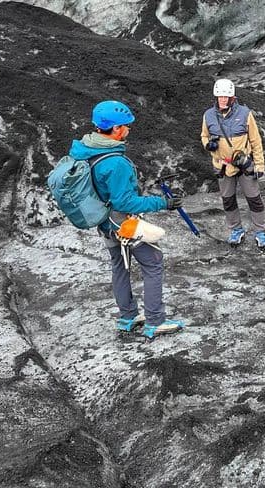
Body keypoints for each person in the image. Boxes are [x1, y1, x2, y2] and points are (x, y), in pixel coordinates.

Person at [68, 100, 185, 339]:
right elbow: (125, 202)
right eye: (126, 126)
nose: (129, 129)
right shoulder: (115, 162)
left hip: (103, 222)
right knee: (153, 262)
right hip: (122, 223)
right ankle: (155, 320)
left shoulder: (87, 149)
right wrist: (162, 202)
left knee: (119, 267)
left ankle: (127, 317)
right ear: (116, 129)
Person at [201, 78, 265, 247]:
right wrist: (208, 144)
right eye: (220, 96)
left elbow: (255, 140)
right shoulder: (208, 115)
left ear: (233, 97)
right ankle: (236, 230)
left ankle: (261, 232)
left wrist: (259, 165)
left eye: (226, 96)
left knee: (254, 199)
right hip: (222, 166)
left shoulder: (245, 113)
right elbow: (204, 135)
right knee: (228, 200)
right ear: (216, 97)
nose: (223, 100)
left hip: (244, 164)